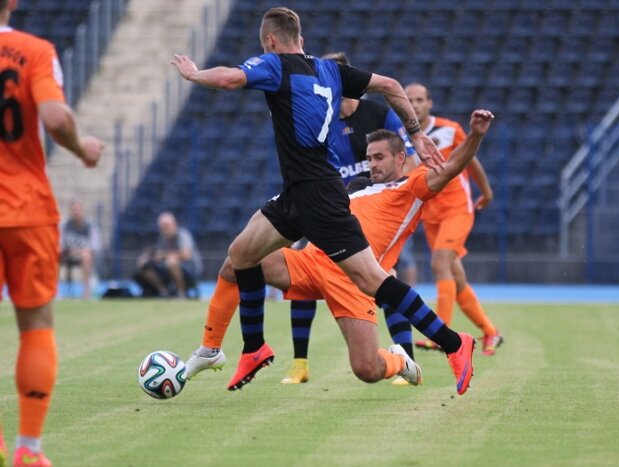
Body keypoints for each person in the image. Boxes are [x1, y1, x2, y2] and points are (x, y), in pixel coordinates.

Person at [172, 7, 476, 396]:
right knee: (240, 255)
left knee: (372, 280)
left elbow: (230, 78)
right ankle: (250, 347)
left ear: (270, 41)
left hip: (318, 194)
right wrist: (416, 133)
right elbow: (390, 84)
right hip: (297, 192)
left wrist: (194, 74)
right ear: (300, 38)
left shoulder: (275, 64)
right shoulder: (331, 70)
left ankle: (454, 343)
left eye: (264, 45)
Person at [185, 112, 493, 396]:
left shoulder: (412, 187)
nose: (372, 164)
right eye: (369, 158)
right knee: (237, 262)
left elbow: (451, 167)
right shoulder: (355, 187)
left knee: (367, 369)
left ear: (400, 158)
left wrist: (475, 135)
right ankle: (211, 349)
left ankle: (401, 361)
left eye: (380, 157)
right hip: (311, 261)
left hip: (355, 281)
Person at [0, 0, 105, 465]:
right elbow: (57, 119)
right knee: (36, 327)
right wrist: (83, 149)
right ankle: (28, 448)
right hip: (26, 209)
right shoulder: (34, 51)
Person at [283, 51, 419, 386]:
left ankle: (407, 359)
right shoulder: (321, 120)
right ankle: (300, 364)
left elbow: (409, 162)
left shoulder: (379, 115)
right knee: (303, 275)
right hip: (332, 212)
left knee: (386, 279)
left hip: (375, 212)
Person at [405, 83, 503, 355]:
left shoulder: (450, 129)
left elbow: (471, 160)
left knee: (439, 264)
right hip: (430, 213)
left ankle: (441, 333)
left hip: (457, 208)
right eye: (409, 100)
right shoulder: (402, 137)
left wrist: (486, 192)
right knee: (456, 278)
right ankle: (491, 332)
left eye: (419, 99)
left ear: (429, 103)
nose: (415, 104)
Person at [133, 212, 202, 298]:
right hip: (168, 268)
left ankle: (181, 293)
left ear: (174, 224)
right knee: (144, 264)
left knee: (171, 261)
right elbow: (158, 255)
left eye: (167, 225)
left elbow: (186, 255)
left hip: (190, 269)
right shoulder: (163, 238)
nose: (165, 228)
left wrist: (164, 255)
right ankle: (163, 292)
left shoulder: (183, 235)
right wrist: (149, 258)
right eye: (162, 226)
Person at [60, 200, 101, 299]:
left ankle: (86, 291)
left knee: (86, 256)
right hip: (68, 254)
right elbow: (59, 244)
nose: (76, 212)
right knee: (54, 255)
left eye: (78, 209)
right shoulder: (65, 225)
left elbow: (95, 247)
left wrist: (79, 250)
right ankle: (53, 291)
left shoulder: (90, 226)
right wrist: (69, 251)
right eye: (74, 209)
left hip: (84, 255)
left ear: (83, 210)